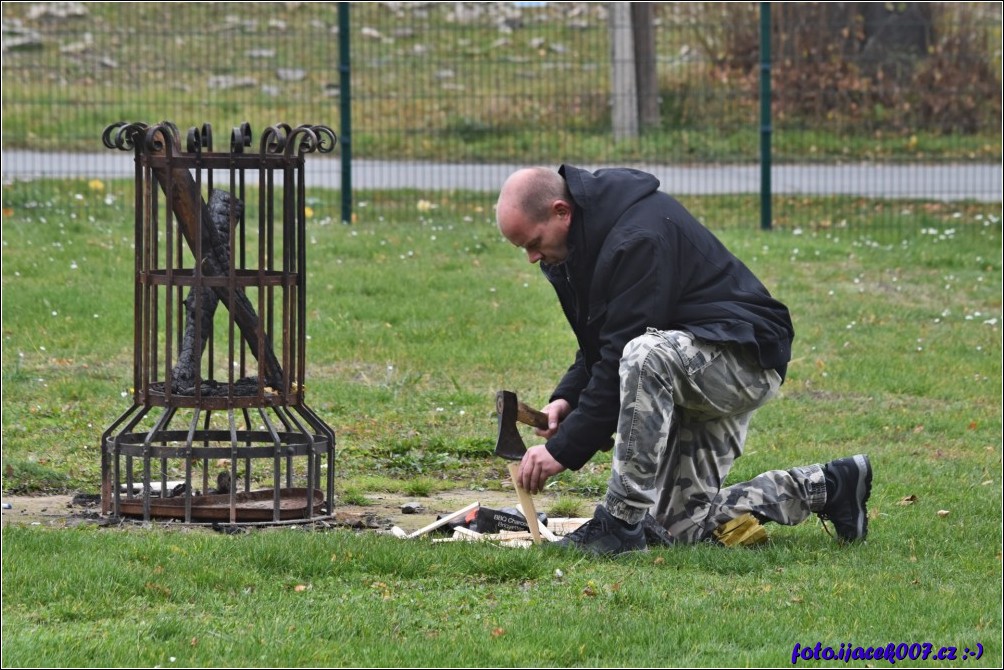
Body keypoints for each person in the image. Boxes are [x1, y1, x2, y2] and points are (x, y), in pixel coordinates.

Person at [495, 165, 872, 555]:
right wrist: (567, 398)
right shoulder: (581, 246)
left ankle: (620, 523)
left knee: (644, 354)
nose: (532, 257)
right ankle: (826, 486)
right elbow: (603, 340)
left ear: (561, 211)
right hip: (693, 360)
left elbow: (625, 350)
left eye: (533, 242)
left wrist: (563, 450)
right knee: (673, 528)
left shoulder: (636, 238)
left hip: (742, 359)